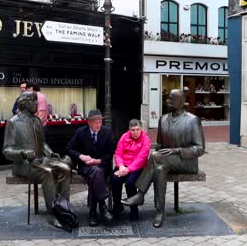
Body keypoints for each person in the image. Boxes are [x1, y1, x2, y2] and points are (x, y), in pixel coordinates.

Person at [122, 89, 205, 228]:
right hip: (164, 161)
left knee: (155, 157)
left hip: (186, 162)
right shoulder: (163, 119)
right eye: (167, 98)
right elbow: (160, 145)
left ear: (180, 101)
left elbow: (200, 148)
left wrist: (177, 150)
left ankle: (141, 194)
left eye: (171, 99)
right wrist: (160, 155)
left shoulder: (192, 120)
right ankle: (159, 212)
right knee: (159, 169)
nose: (167, 101)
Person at [3, 91, 71, 227]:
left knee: (65, 168)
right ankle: (53, 213)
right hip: (23, 165)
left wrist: (50, 153)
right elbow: (7, 150)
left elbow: (42, 144)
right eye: (33, 101)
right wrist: (22, 152)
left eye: (36, 100)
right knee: (47, 173)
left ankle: (63, 208)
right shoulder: (13, 122)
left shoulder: (37, 120)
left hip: (41, 160)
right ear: (24, 103)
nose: (36, 103)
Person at [66, 109, 115, 226]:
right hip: (85, 166)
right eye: (95, 122)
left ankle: (93, 212)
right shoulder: (81, 132)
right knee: (95, 173)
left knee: (96, 173)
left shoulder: (107, 132)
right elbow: (68, 148)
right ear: (89, 122)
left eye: (100, 122)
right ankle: (102, 206)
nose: (98, 125)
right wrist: (81, 156)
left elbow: (111, 152)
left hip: (102, 165)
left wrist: (99, 160)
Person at [111, 119, 151, 221]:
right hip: (123, 166)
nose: (135, 132)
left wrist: (127, 170)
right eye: (133, 130)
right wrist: (120, 166)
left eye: (137, 129)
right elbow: (118, 153)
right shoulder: (124, 137)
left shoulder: (146, 140)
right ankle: (117, 206)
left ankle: (134, 210)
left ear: (141, 129)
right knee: (115, 180)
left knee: (130, 183)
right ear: (129, 130)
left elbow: (141, 159)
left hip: (137, 167)